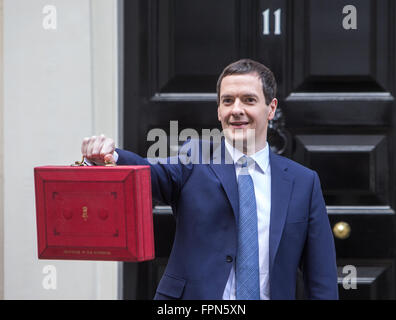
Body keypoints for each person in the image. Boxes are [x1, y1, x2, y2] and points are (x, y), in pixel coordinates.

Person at [81, 59, 338, 300]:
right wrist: (111, 156)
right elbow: (149, 173)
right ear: (218, 110)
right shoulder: (193, 159)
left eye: (248, 100)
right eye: (228, 101)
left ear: (271, 108)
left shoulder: (303, 182)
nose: (236, 110)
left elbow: (321, 277)